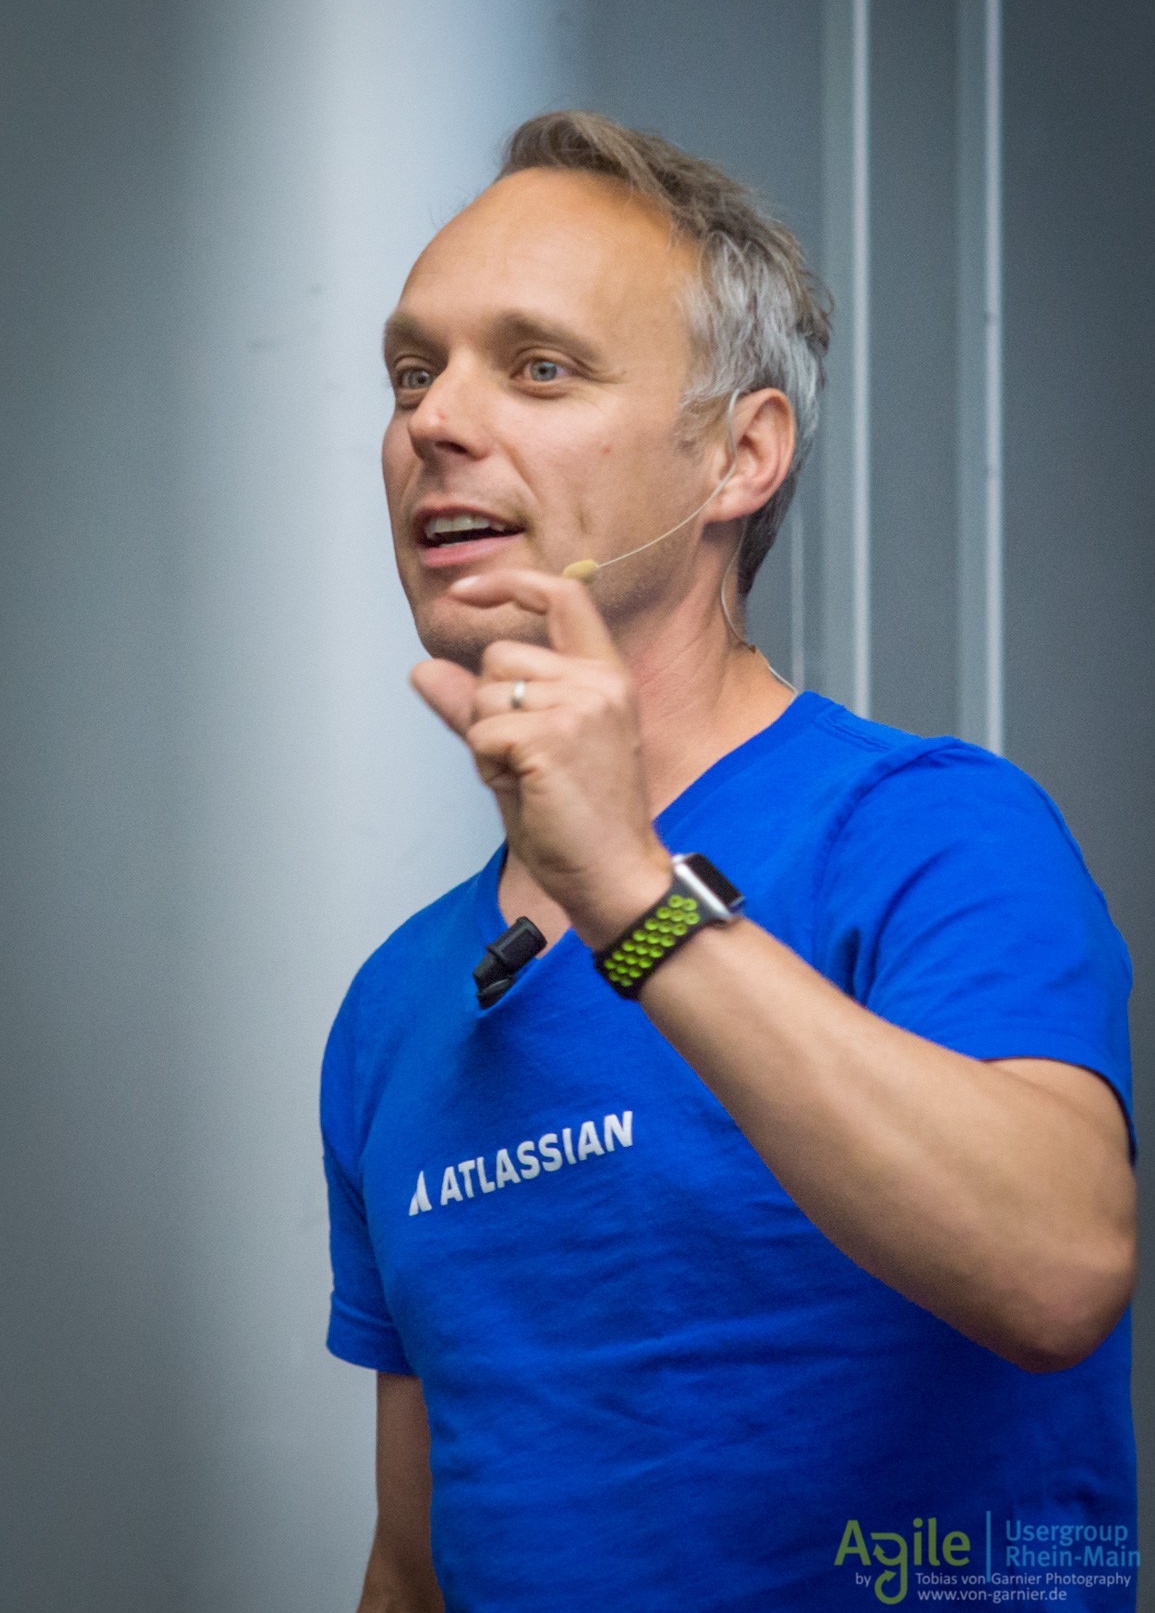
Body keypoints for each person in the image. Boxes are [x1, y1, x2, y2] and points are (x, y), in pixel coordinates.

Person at [321, 112, 1137, 1613]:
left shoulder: (928, 832)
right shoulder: (394, 1007)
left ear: (740, 456)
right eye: (415, 372)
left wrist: (631, 894)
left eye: (540, 367)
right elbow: (415, 1561)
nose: (437, 420)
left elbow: (1060, 1270)